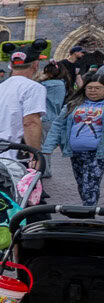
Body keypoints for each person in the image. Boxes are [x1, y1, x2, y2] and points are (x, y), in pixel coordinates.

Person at [0, 44, 49, 165]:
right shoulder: (34, 88)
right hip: (16, 156)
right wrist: (35, 156)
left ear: (11, 65)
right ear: (36, 65)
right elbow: (30, 122)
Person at [66, 75, 104, 207]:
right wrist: (48, 147)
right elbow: (59, 125)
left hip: (97, 153)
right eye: (90, 88)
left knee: (91, 183)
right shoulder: (74, 104)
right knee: (82, 183)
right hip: (75, 152)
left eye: (97, 88)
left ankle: (89, 211)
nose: (93, 91)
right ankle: (87, 207)